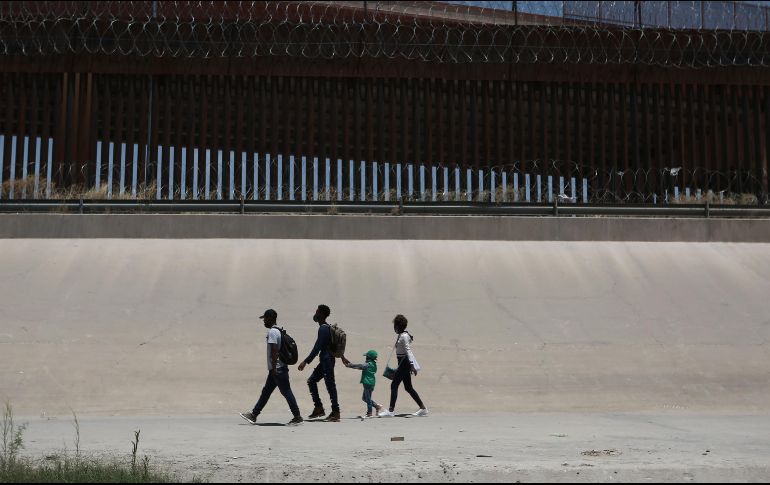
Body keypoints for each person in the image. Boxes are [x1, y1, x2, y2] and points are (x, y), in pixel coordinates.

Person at [240, 309, 303, 426]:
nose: (264, 321)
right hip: (276, 369)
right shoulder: (277, 331)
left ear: (271, 318)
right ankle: (253, 415)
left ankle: (297, 416)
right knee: (266, 392)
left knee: (286, 392)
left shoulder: (273, 332)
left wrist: (273, 368)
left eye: (265, 318)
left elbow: (274, 351)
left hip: (277, 369)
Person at [378, 314, 428, 418]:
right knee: (408, 387)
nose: (394, 328)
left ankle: (391, 411)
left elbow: (408, 350)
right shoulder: (402, 335)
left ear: (398, 326)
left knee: (394, 385)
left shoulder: (404, 336)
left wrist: (412, 366)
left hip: (404, 363)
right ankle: (423, 408)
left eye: (395, 325)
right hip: (403, 362)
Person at [297, 304, 340, 421]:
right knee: (311, 381)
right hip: (326, 360)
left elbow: (317, 347)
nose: (315, 314)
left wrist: (305, 361)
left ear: (321, 314)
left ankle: (336, 412)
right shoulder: (326, 327)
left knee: (330, 385)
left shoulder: (323, 329)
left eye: (317, 311)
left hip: (327, 361)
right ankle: (319, 408)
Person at [341, 350, 383, 418]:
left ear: (368, 358)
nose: (365, 358)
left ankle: (369, 412)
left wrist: (349, 365)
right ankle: (376, 406)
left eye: (366, 356)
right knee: (364, 398)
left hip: (367, 382)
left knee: (368, 398)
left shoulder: (368, 364)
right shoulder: (374, 364)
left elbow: (360, 366)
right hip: (371, 382)